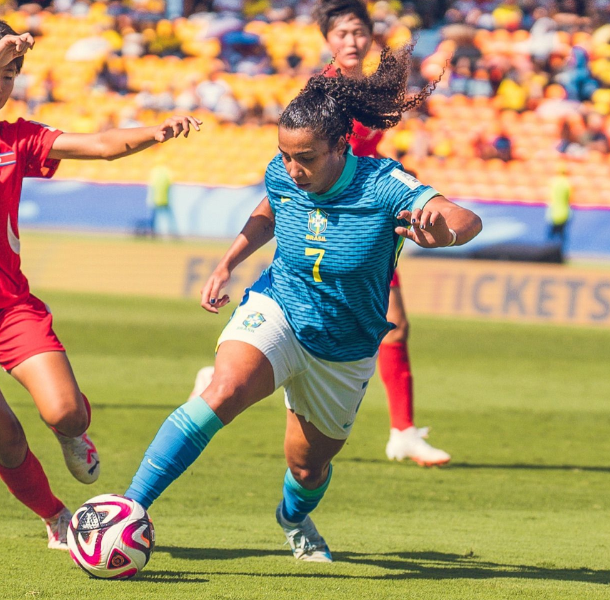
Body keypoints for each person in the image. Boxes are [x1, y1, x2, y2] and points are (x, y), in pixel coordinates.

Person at [127, 47, 481, 562]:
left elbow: (465, 219)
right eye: (286, 155)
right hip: (279, 308)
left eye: (306, 158)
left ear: (341, 146)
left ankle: (292, 518)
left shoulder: (384, 184)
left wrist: (442, 234)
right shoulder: (282, 172)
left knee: (307, 468)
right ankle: (129, 507)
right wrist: (228, 262)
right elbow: (269, 210)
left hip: (343, 344)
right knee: (222, 391)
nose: (292, 168)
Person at [0, 7, 199, 550]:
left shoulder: (16, 140)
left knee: (66, 412)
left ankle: (74, 437)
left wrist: (155, 132)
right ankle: (57, 519)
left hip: (6, 305)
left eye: (10, 75)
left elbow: (99, 145)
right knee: (6, 442)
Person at [190, 0, 453, 467]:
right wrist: (227, 262)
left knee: (393, 326)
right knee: (365, 325)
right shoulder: (325, 98)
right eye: (342, 34)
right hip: (334, 230)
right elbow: (281, 195)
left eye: (360, 33)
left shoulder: (364, 92)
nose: (351, 42)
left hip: (363, 224)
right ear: (327, 40)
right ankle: (401, 430)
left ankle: (402, 429)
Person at [547, 163, 572, 258]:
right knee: (562, 236)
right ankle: (561, 254)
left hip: (553, 212)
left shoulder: (553, 182)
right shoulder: (567, 183)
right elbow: (570, 198)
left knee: (551, 235)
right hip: (564, 212)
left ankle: (548, 253)